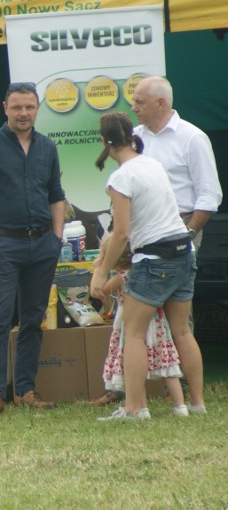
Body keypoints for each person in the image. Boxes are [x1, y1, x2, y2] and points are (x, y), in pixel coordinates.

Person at [90, 111, 206, 420]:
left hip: (154, 259)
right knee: (182, 331)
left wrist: (101, 271)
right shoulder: (152, 163)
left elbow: (122, 232)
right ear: (132, 135)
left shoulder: (120, 177)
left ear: (104, 141)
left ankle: (135, 408)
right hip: (184, 252)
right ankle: (197, 403)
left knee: (134, 333)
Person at [0, 82, 66, 416]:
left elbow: (56, 195)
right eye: (17, 107)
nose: (24, 113)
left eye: (30, 107)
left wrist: (57, 237)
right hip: (5, 244)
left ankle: (25, 390)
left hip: (42, 244)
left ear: (38, 108)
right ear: (5, 107)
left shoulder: (47, 148)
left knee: (33, 320)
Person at [88, 233, 188, 416]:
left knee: (134, 368)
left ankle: (141, 407)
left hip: (132, 326)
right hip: (157, 325)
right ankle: (180, 406)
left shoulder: (121, 277)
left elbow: (100, 292)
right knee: (169, 367)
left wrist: (98, 268)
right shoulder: (146, 273)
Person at [131, 76, 222, 251]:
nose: (133, 108)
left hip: (180, 224)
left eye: (140, 102)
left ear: (160, 103)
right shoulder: (133, 137)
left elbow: (209, 195)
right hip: (140, 227)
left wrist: (188, 234)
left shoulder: (193, 138)